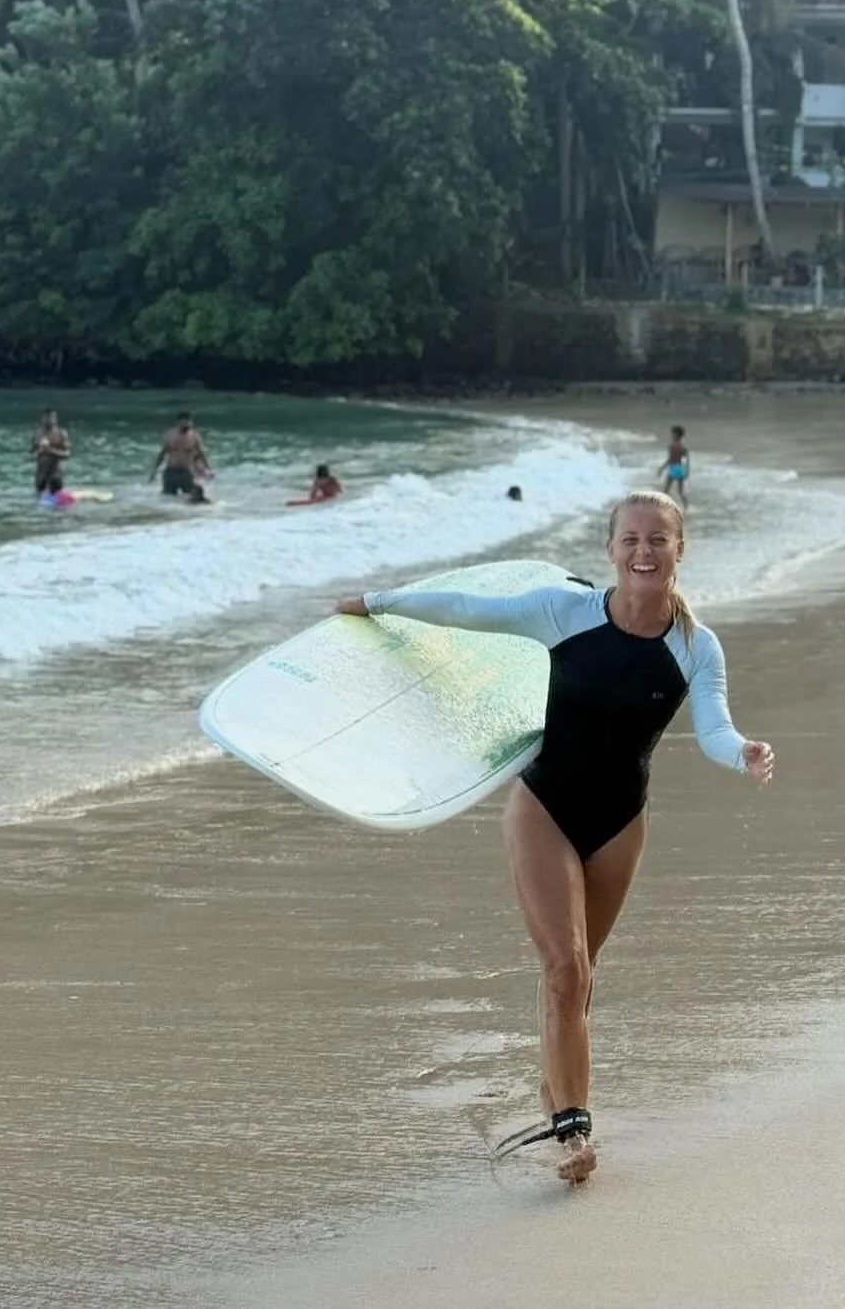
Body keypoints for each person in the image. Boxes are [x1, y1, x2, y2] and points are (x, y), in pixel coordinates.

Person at [336, 490, 774, 1186]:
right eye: (630, 538)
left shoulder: (695, 645)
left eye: (659, 539)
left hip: (621, 823)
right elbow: (467, 612)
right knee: (565, 969)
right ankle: (573, 1129)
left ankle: (553, 1090)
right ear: (610, 549)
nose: (644, 551)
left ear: (679, 550)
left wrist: (743, 751)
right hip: (544, 807)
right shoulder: (563, 612)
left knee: (579, 977)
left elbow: (716, 726)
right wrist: (379, 603)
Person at [150, 412, 211, 499]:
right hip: (171, 471)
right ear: (178, 422)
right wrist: (154, 471)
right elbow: (162, 453)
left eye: (189, 422)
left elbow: (201, 454)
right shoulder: (169, 435)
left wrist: (208, 469)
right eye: (184, 422)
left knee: (190, 497)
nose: (187, 424)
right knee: (168, 498)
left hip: (186, 472)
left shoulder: (194, 437)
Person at [31, 411, 71, 495]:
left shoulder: (61, 433)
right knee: (40, 499)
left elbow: (67, 454)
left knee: (57, 499)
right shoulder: (37, 434)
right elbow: (33, 455)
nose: (50, 420)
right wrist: (41, 450)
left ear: (56, 419)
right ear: (42, 419)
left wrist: (49, 450)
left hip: (56, 474)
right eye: (47, 418)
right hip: (41, 474)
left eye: (52, 418)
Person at [660, 425, 690, 509]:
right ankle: (686, 506)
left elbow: (670, 459)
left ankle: (662, 507)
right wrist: (687, 471)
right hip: (680, 469)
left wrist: (662, 468)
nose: (671, 436)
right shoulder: (683, 447)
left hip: (673, 469)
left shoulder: (672, 446)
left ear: (676, 435)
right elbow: (686, 460)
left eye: (673, 434)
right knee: (680, 491)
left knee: (666, 489)